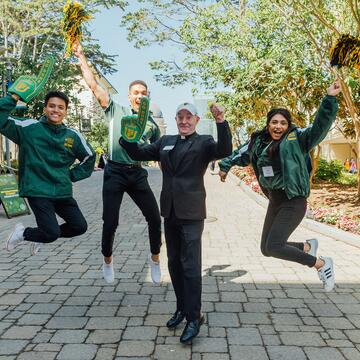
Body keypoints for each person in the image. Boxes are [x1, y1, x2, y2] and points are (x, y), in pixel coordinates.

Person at [120, 102, 232, 343]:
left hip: (191, 212)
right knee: (174, 264)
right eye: (180, 117)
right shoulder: (165, 140)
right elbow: (138, 152)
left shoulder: (204, 142)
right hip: (169, 211)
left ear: (196, 120)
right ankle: (182, 308)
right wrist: (126, 136)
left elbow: (224, 149)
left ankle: (194, 317)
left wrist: (221, 122)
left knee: (191, 267)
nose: (184, 121)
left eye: (188, 117)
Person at [218, 80, 342, 292]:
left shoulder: (298, 139)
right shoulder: (259, 142)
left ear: (288, 125)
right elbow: (242, 153)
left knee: (275, 246)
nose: (278, 126)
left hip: (294, 201)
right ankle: (307, 246)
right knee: (267, 249)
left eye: (283, 123)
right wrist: (225, 165)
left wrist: (329, 98)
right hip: (275, 200)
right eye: (274, 122)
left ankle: (322, 264)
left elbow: (320, 125)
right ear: (268, 124)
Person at [73, 42, 162, 284]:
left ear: (148, 96)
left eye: (144, 93)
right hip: (114, 172)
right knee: (111, 221)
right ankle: (108, 260)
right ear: (129, 96)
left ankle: (155, 258)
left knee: (155, 217)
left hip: (137, 174)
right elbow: (93, 86)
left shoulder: (152, 125)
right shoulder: (115, 109)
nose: (140, 96)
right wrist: (81, 56)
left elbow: (160, 153)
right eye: (136, 92)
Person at [2, 90, 95, 255]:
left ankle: (41, 236)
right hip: (38, 190)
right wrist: (13, 97)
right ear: (45, 108)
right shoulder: (29, 128)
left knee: (79, 227)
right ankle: (22, 234)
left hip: (62, 191)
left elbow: (90, 157)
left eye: (61, 107)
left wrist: (71, 175)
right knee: (52, 233)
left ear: (66, 111)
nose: (56, 110)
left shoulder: (72, 136)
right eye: (52, 106)